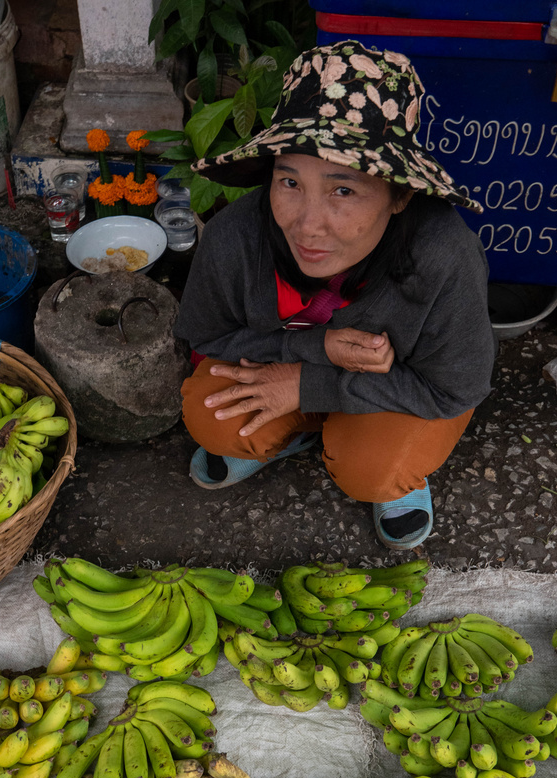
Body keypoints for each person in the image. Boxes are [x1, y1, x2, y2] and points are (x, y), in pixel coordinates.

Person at [174, 39, 497, 551]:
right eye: (289, 182)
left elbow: (452, 388)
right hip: (290, 362)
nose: (306, 223)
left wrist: (307, 386)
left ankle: (388, 468)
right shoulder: (237, 235)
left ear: (400, 194)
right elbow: (204, 335)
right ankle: (301, 433)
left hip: (399, 391)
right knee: (214, 419)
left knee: (371, 469)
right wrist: (313, 351)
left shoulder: (443, 259)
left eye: (342, 190)